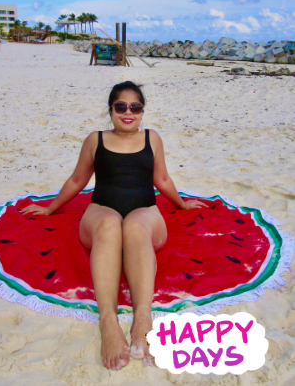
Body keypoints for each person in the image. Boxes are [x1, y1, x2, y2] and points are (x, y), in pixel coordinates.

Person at [21, 81, 208, 370]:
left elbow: (163, 180)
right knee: (109, 225)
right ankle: (107, 320)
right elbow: (76, 180)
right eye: (121, 106)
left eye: (135, 107)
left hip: (146, 213)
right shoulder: (95, 140)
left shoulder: (152, 138)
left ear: (143, 111)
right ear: (111, 110)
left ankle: (142, 317)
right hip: (100, 212)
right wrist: (50, 208)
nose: (128, 112)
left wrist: (181, 204)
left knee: (134, 227)